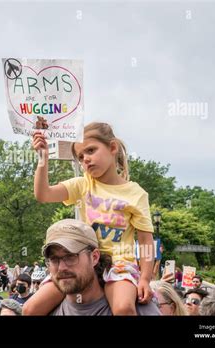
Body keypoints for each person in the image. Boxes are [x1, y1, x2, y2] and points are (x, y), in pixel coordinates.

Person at [32, 122, 155, 315]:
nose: (86, 160)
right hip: (81, 261)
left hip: (118, 263)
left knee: (123, 308)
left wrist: (145, 279)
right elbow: (43, 194)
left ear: (112, 147)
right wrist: (42, 158)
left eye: (91, 151)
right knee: (31, 308)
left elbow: (146, 241)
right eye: (80, 157)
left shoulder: (136, 194)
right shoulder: (82, 185)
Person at [23, 219, 160, 316]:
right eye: (54, 259)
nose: (62, 267)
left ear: (94, 257)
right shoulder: (43, 309)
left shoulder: (135, 308)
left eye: (71, 256)